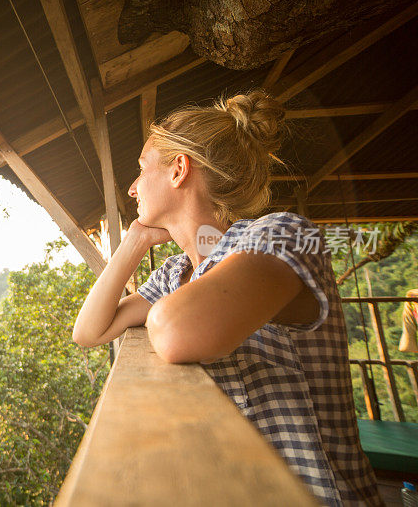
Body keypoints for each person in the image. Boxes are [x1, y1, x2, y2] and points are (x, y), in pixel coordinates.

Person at [73, 90, 383, 506]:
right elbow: (89, 331)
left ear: (179, 170)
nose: (131, 188)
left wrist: (158, 308)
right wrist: (133, 242)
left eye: (141, 169)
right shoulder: (177, 273)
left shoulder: (279, 235)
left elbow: (175, 330)